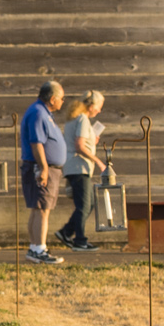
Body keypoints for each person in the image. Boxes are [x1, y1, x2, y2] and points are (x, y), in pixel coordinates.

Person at [18, 80, 68, 264]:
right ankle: (39, 248)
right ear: (52, 98)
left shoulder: (43, 113)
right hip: (40, 168)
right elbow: (36, 142)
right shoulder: (38, 113)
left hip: (44, 167)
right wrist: (45, 168)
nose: (63, 102)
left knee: (38, 209)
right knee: (42, 209)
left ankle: (35, 247)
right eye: (62, 98)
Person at [55, 90, 107, 253]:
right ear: (91, 106)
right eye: (98, 107)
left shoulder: (74, 119)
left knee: (88, 203)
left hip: (74, 166)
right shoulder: (83, 120)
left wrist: (93, 139)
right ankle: (79, 240)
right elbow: (79, 145)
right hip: (79, 167)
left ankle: (66, 232)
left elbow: (76, 142)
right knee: (84, 205)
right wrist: (98, 160)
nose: (99, 111)